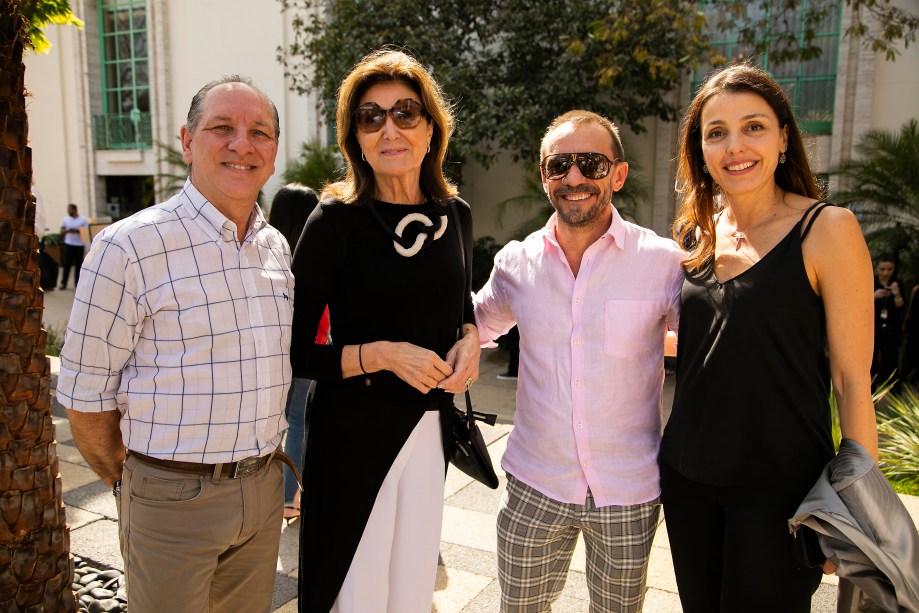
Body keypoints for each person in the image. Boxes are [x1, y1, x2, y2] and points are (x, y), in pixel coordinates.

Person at [56, 76, 294, 613]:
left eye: (259, 131)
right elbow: (85, 397)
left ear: (273, 152)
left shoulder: (275, 247)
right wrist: (139, 485)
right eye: (221, 128)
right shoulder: (129, 246)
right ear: (188, 141)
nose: (242, 143)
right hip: (168, 501)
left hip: (262, 496)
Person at [660, 62, 879, 613]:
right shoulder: (696, 233)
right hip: (687, 479)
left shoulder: (828, 229)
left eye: (753, 126)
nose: (735, 146)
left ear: (784, 137)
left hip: (780, 492)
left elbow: (852, 381)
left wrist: (857, 507)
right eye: (717, 132)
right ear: (701, 151)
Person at [290, 49, 480, 612]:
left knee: (413, 587)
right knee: (357, 593)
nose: (389, 128)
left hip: (428, 431)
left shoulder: (456, 215)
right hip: (353, 435)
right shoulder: (333, 222)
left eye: (405, 112)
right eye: (370, 117)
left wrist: (470, 336)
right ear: (355, 137)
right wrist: (381, 355)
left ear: (430, 130)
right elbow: (296, 352)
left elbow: (459, 306)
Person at [474, 110, 684, 612]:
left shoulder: (663, 262)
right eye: (559, 165)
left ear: (618, 173)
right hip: (534, 484)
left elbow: (710, 343)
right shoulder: (516, 263)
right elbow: (474, 326)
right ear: (543, 174)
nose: (574, 178)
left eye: (590, 163)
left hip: (628, 489)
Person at [267, 182, 328, 521]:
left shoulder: (269, 254)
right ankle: (290, 499)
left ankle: (278, 496)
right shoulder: (313, 253)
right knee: (299, 424)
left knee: (275, 423)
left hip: (273, 353)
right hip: (309, 350)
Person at [871, 254, 904, 386]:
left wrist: (896, 294)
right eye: (883, 269)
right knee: (871, 363)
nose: (886, 273)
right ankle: (871, 396)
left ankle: (895, 397)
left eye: (890, 269)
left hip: (891, 329)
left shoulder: (897, 283)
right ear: (877, 269)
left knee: (891, 363)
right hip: (873, 328)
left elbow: (901, 306)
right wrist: (873, 297)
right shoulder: (871, 282)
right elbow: (859, 305)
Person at [58, 203, 88, 289]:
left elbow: (85, 232)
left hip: (79, 245)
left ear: (75, 210)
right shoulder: (66, 219)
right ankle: (64, 283)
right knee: (67, 264)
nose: (68, 211)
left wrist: (77, 231)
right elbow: (61, 230)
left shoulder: (83, 220)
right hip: (69, 244)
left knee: (79, 265)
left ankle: (77, 283)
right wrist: (67, 230)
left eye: (70, 210)